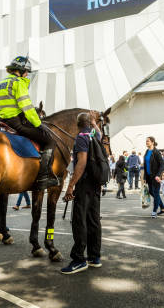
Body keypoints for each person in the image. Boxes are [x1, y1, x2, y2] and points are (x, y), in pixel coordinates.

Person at [0, 56, 57, 190]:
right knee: (49, 141)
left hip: (3, 121)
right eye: (26, 72)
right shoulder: (18, 82)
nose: (27, 74)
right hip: (17, 122)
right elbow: (26, 106)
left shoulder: (2, 83)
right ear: (21, 70)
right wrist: (38, 124)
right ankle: (43, 177)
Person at [61, 112, 103, 274]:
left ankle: (79, 259)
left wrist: (71, 185)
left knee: (79, 221)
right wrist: (94, 122)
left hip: (84, 184)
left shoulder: (81, 137)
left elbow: (82, 162)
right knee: (93, 220)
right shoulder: (94, 135)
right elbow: (99, 133)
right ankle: (94, 257)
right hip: (96, 184)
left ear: (77, 123)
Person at [143, 137, 164, 217]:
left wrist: (158, 175)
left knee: (156, 193)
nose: (146, 142)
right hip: (149, 176)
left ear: (152, 142)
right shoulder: (147, 151)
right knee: (151, 192)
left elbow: (162, 164)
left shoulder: (156, 152)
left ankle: (154, 211)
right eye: (146, 141)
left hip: (156, 176)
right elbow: (145, 165)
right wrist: (145, 177)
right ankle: (162, 208)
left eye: (148, 141)